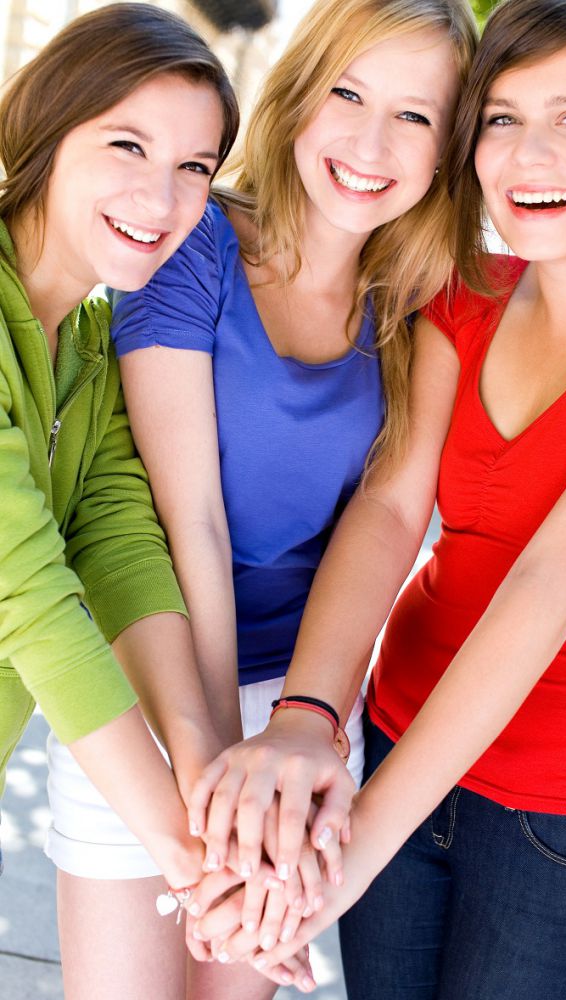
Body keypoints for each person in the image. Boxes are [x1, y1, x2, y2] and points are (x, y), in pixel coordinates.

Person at [188, 0, 566, 997]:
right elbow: (389, 509)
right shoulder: (465, 290)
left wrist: (339, 862)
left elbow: (545, 586)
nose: (528, 154)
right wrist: (307, 718)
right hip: (397, 731)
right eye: (500, 118)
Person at [109, 0, 477, 995]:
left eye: (415, 115)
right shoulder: (195, 243)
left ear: (449, 147)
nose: (370, 142)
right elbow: (188, 521)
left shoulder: (415, 303)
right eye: (348, 93)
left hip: (302, 698)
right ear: (301, 92)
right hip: (151, 682)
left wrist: (290, 742)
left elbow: (385, 520)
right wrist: (221, 777)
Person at [0, 4, 243, 999]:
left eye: (195, 166)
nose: (163, 196)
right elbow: (30, 598)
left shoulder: (93, 341)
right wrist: (193, 862)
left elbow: (119, 545)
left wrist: (204, 770)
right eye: (128, 146)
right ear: (49, 130)